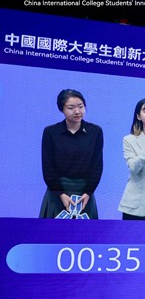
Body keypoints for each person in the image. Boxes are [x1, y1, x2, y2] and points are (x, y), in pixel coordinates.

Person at [39, 89, 103, 219]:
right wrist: (61, 194)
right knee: (53, 231)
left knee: (85, 231)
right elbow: (48, 167)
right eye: (71, 108)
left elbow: (97, 165)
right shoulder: (51, 132)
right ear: (61, 109)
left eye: (81, 106)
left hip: (85, 194)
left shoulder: (95, 131)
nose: (77, 111)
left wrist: (88, 192)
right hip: (57, 192)